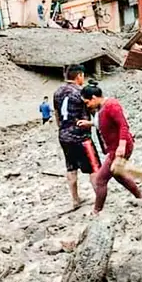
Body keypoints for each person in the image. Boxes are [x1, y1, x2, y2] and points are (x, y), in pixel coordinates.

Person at [78, 85, 142, 214]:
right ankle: (140, 197)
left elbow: (123, 125)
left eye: (87, 102)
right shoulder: (103, 108)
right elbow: (105, 122)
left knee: (101, 179)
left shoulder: (111, 105)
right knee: (118, 175)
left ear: (94, 98)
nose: (88, 106)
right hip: (115, 148)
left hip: (119, 148)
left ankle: (97, 210)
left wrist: (122, 145)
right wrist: (90, 124)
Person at [53, 64, 99, 208]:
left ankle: (75, 200)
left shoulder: (57, 92)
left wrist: (62, 128)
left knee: (71, 168)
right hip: (81, 135)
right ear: (79, 75)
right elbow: (93, 111)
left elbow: (56, 114)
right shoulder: (81, 92)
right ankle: (100, 197)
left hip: (64, 135)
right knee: (93, 167)